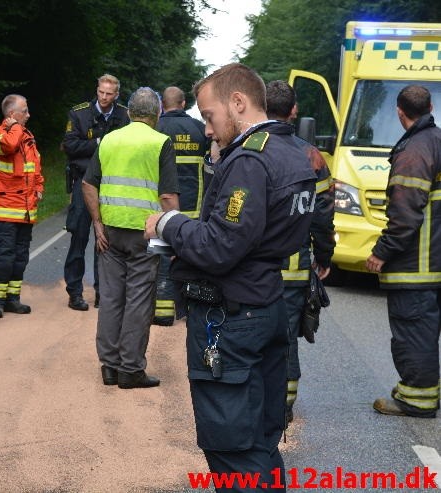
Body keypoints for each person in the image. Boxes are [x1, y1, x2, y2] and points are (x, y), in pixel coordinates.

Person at [145, 63, 316, 491]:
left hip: (231, 318)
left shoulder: (250, 160)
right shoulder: (294, 151)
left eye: (209, 116)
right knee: (259, 438)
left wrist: (168, 224)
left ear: (238, 102)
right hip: (268, 305)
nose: (206, 128)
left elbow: (220, 245)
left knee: (233, 447)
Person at [82, 87, 179, 389]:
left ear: (129, 112)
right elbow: (167, 197)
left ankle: (109, 366)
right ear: (157, 113)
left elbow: (88, 184)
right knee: (139, 300)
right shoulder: (160, 142)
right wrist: (177, 234)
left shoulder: (110, 139)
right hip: (146, 234)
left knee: (111, 298)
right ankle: (131, 369)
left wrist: (97, 223)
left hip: (109, 232)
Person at [367, 84, 441, 419]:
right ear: (430, 108)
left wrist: (382, 252)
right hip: (434, 260)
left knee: (414, 333)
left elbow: (405, 213)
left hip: (418, 265)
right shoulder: (436, 140)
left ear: (400, 112)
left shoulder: (414, 150)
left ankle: (417, 400)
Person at [265, 80, 335, 423]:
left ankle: (256, 400)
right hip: (294, 268)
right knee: (287, 338)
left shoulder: (251, 149)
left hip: (254, 268)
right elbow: (323, 214)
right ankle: (284, 405)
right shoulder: (312, 156)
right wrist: (324, 256)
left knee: (252, 332)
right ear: (294, 111)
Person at [62, 74, 130, 311]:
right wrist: (99, 143)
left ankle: (103, 292)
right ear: (97, 90)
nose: (103, 97)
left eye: (109, 94)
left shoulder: (124, 115)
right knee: (78, 236)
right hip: (83, 181)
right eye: (101, 92)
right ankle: (75, 292)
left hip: (111, 183)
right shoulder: (79, 113)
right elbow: (69, 146)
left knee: (105, 240)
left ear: (116, 95)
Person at [152, 86, 209, 326]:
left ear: (162, 105)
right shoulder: (199, 129)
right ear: (184, 103)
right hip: (194, 207)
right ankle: (190, 309)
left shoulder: (155, 129)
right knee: (192, 257)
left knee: (163, 255)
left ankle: (163, 312)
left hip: (163, 208)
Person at [0, 95, 44, 318]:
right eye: (24, 111)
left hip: (26, 210)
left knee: (20, 257)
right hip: (5, 210)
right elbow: (9, 146)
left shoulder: (27, 136)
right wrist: (16, 127)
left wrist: (39, 186)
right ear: (12, 115)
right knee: (4, 257)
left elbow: (35, 166)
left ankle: (12, 299)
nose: (28, 115)